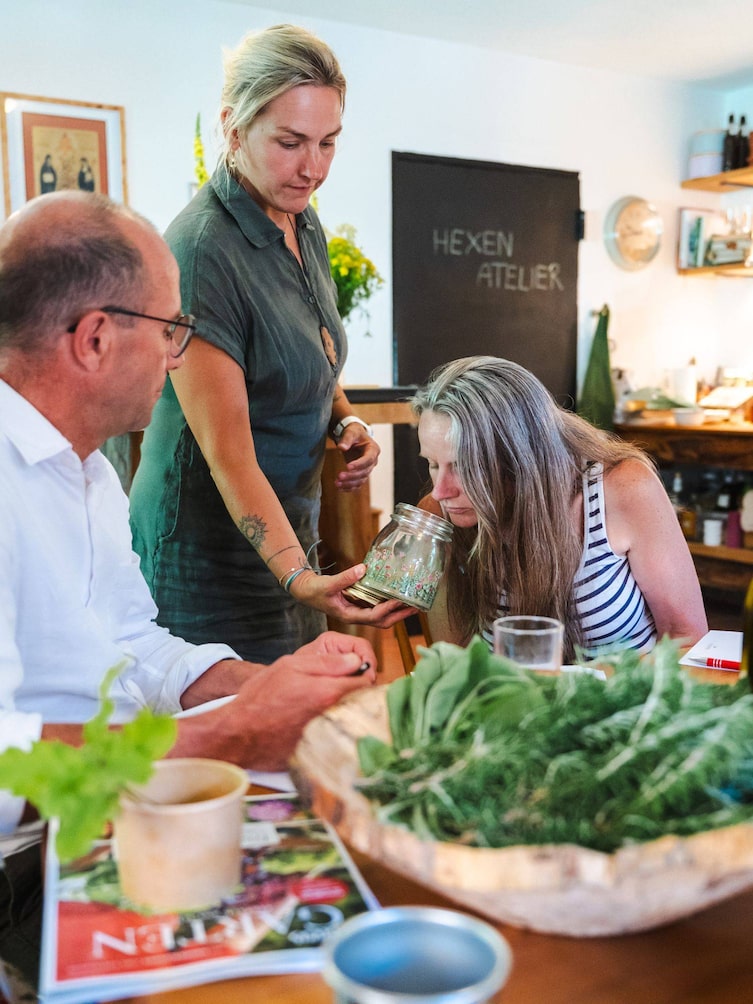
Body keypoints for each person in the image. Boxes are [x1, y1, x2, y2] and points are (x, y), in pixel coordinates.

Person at [0, 189, 380, 989]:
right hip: (32, 866)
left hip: (121, 806)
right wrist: (223, 738)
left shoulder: (92, 468)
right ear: (96, 339)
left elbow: (133, 643)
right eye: (172, 328)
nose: (180, 355)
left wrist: (261, 684)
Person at [129, 24, 406, 663]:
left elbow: (306, 350)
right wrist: (302, 578)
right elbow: (229, 453)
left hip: (286, 538)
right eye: (289, 143)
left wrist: (346, 420)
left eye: (328, 143)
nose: (312, 167)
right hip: (202, 560)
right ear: (233, 126)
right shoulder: (200, 252)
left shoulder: (300, 217)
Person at [412, 356, 708, 662]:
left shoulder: (622, 489)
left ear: (520, 456)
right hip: (516, 707)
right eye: (433, 464)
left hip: (627, 704)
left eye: (464, 467)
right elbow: (456, 666)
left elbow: (687, 639)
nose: (441, 490)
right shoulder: (438, 517)